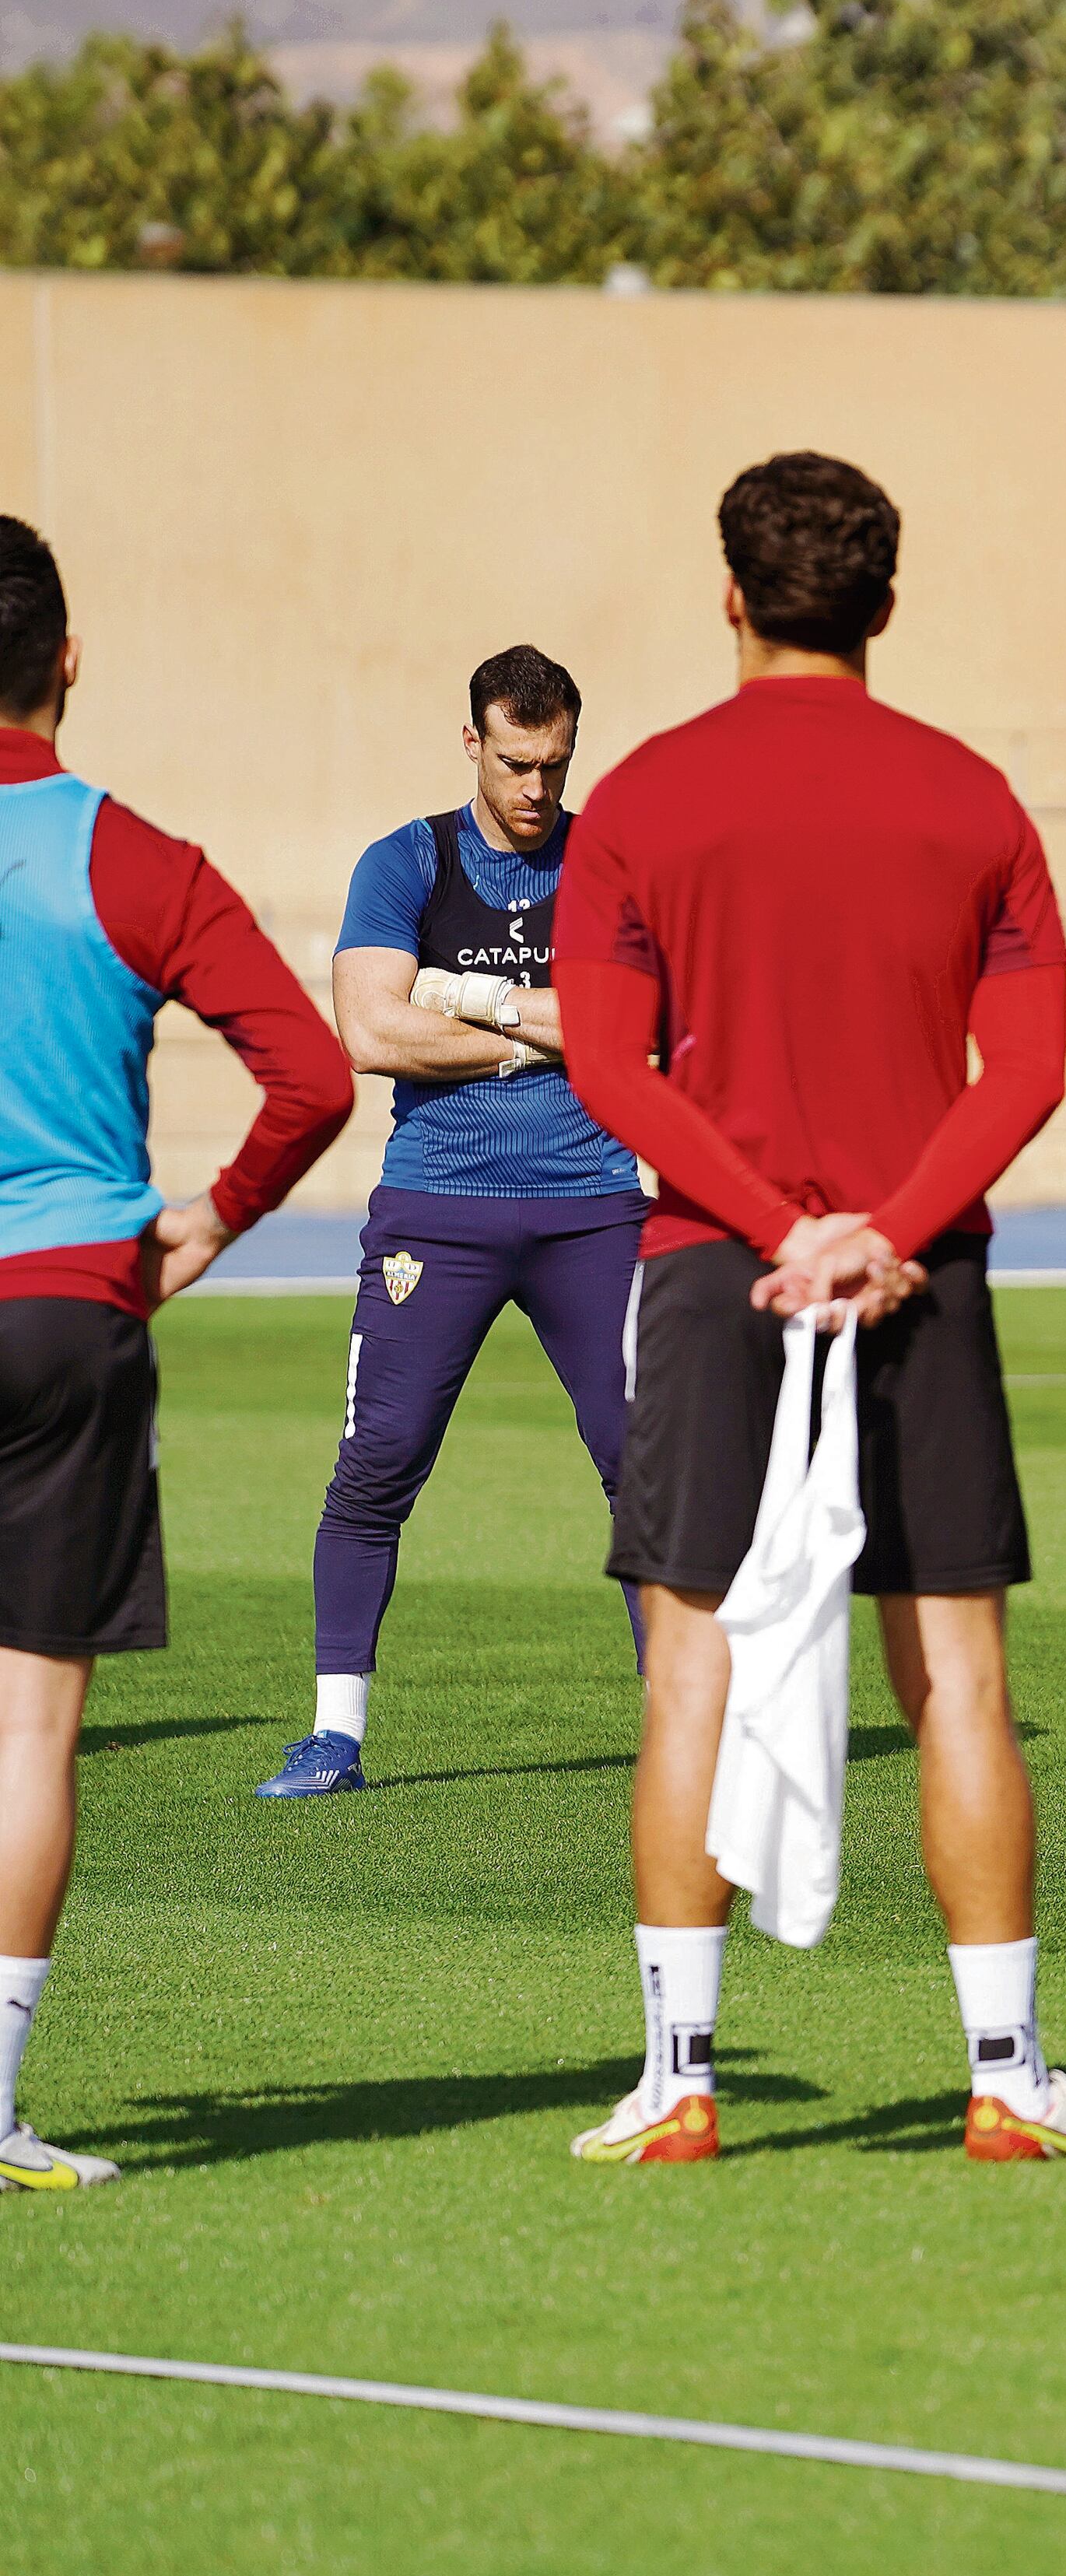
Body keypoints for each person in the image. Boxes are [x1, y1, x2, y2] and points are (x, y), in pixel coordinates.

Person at [553, 453, 1066, 2166]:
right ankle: (1005, 2075)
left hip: (715, 1274)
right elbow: (1023, 1071)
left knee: (688, 1673)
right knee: (956, 1674)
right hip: (918, 1278)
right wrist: (882, 1230)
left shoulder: (643, 798)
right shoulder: (974, 799)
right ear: (882, 605)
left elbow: (603, 1064)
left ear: (731, 594)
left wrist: (775, 1226)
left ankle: (680, 2081)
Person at [0, 515, 352, 2186]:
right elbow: (316, 1074)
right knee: (30, 1732)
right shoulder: (137, 858)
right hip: (71, 1309)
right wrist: (208, 1217)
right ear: (68, 661)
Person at [261, 646, 650, 1801]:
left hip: (594, 1206)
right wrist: (542, 1026)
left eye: (558, 765)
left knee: (649, 1464)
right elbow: (372, 1035)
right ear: (472, 742)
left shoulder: (609, 866)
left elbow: (636, 1029)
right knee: (376, 1465)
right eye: (518, 763)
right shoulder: (406, 862)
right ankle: (334, 1737)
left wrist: (464, 996)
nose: (538, 789)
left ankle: (690, 1727)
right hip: (441, 1205)